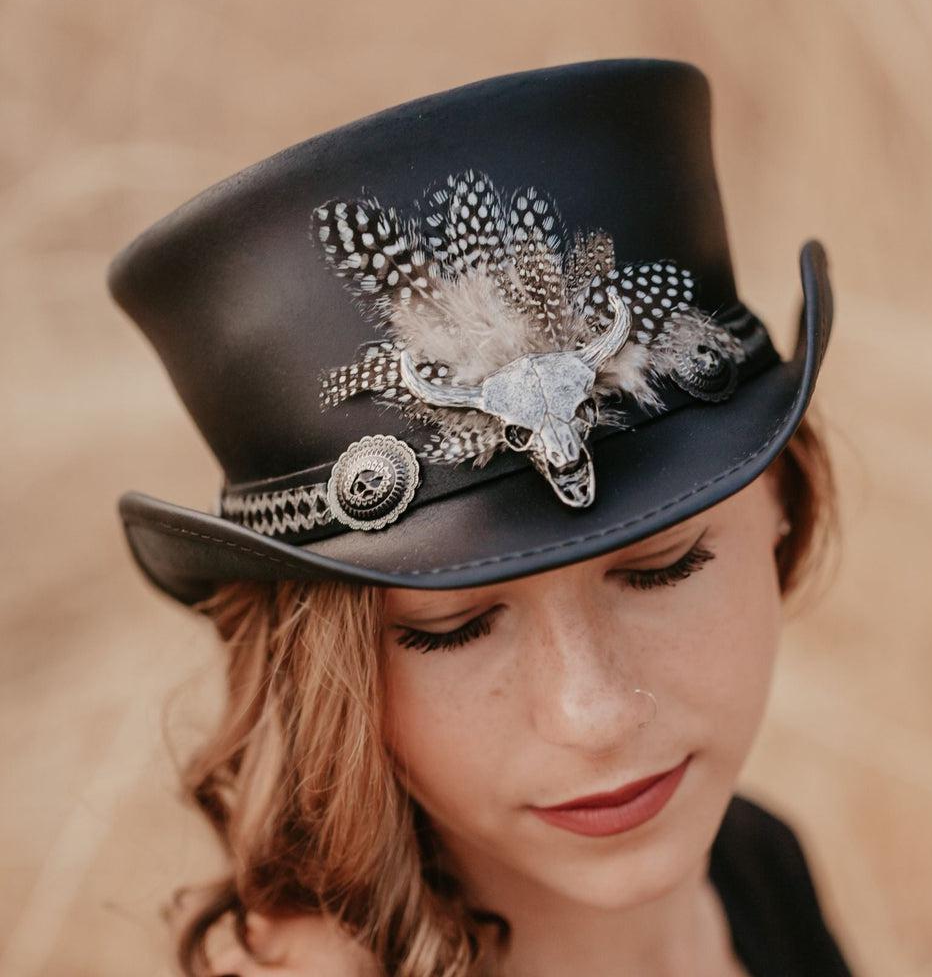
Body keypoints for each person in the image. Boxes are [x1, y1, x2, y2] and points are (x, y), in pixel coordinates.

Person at [109, 59, 855, 976]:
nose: (595, 715)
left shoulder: (758, 869)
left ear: (783, 496)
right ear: (320, 675)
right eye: (451, 628)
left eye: (662, 567)